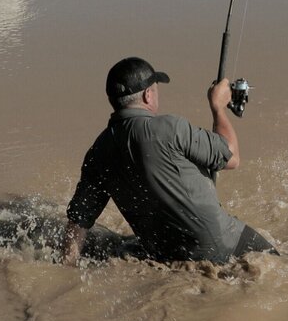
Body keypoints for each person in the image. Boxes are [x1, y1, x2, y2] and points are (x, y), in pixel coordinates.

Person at [62, 57, 276, 266]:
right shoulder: (170, 128)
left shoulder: (98, 151)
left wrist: (67, 266)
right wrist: (218, 107)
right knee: (279, 263)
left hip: (165, 257)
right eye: (155, 89)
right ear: (147, 95)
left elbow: (78, 222)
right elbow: (232, 157)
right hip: (220, 244)